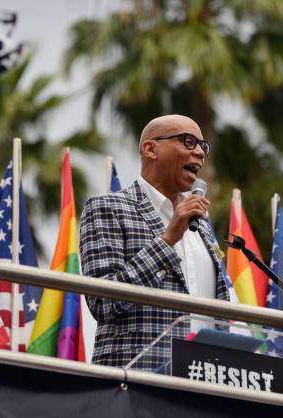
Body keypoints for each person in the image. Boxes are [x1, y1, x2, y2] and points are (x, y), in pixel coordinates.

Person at [79, 114, 230, 371]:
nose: (200, 154)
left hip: (206, 382)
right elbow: (102, 302)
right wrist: (168, 239)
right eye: (188, 142)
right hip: (138, 382)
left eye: (203, 146)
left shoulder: (201, 225)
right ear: (151, 149)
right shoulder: (108, 208)